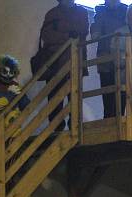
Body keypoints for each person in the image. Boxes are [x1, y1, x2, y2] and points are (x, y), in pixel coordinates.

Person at [40, 0, 89, 130]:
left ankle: (75, 127)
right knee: (55, 99)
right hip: (55, 64)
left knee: (75, 97)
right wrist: (67, 35)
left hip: (76, 62)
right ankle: (56, 129)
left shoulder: (82, 12)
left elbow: (82, 30)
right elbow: (47, 36)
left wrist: (60, 31)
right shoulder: (52, 13)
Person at [91, 0, 128, 117]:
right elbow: (95, 33)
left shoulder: (126, 10)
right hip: (106, 60)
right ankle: (109, 127)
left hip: (123, 59)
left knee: (122, 96)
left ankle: (119, 127)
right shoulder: (101, 11)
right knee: (108, 97)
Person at [0, 55, 30, 134]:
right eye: (5, 72)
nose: (8, 75)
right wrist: (9, 95)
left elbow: (25, 105)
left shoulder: (16, 85)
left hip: (14, 128)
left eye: (11, 72)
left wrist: (22, 96)